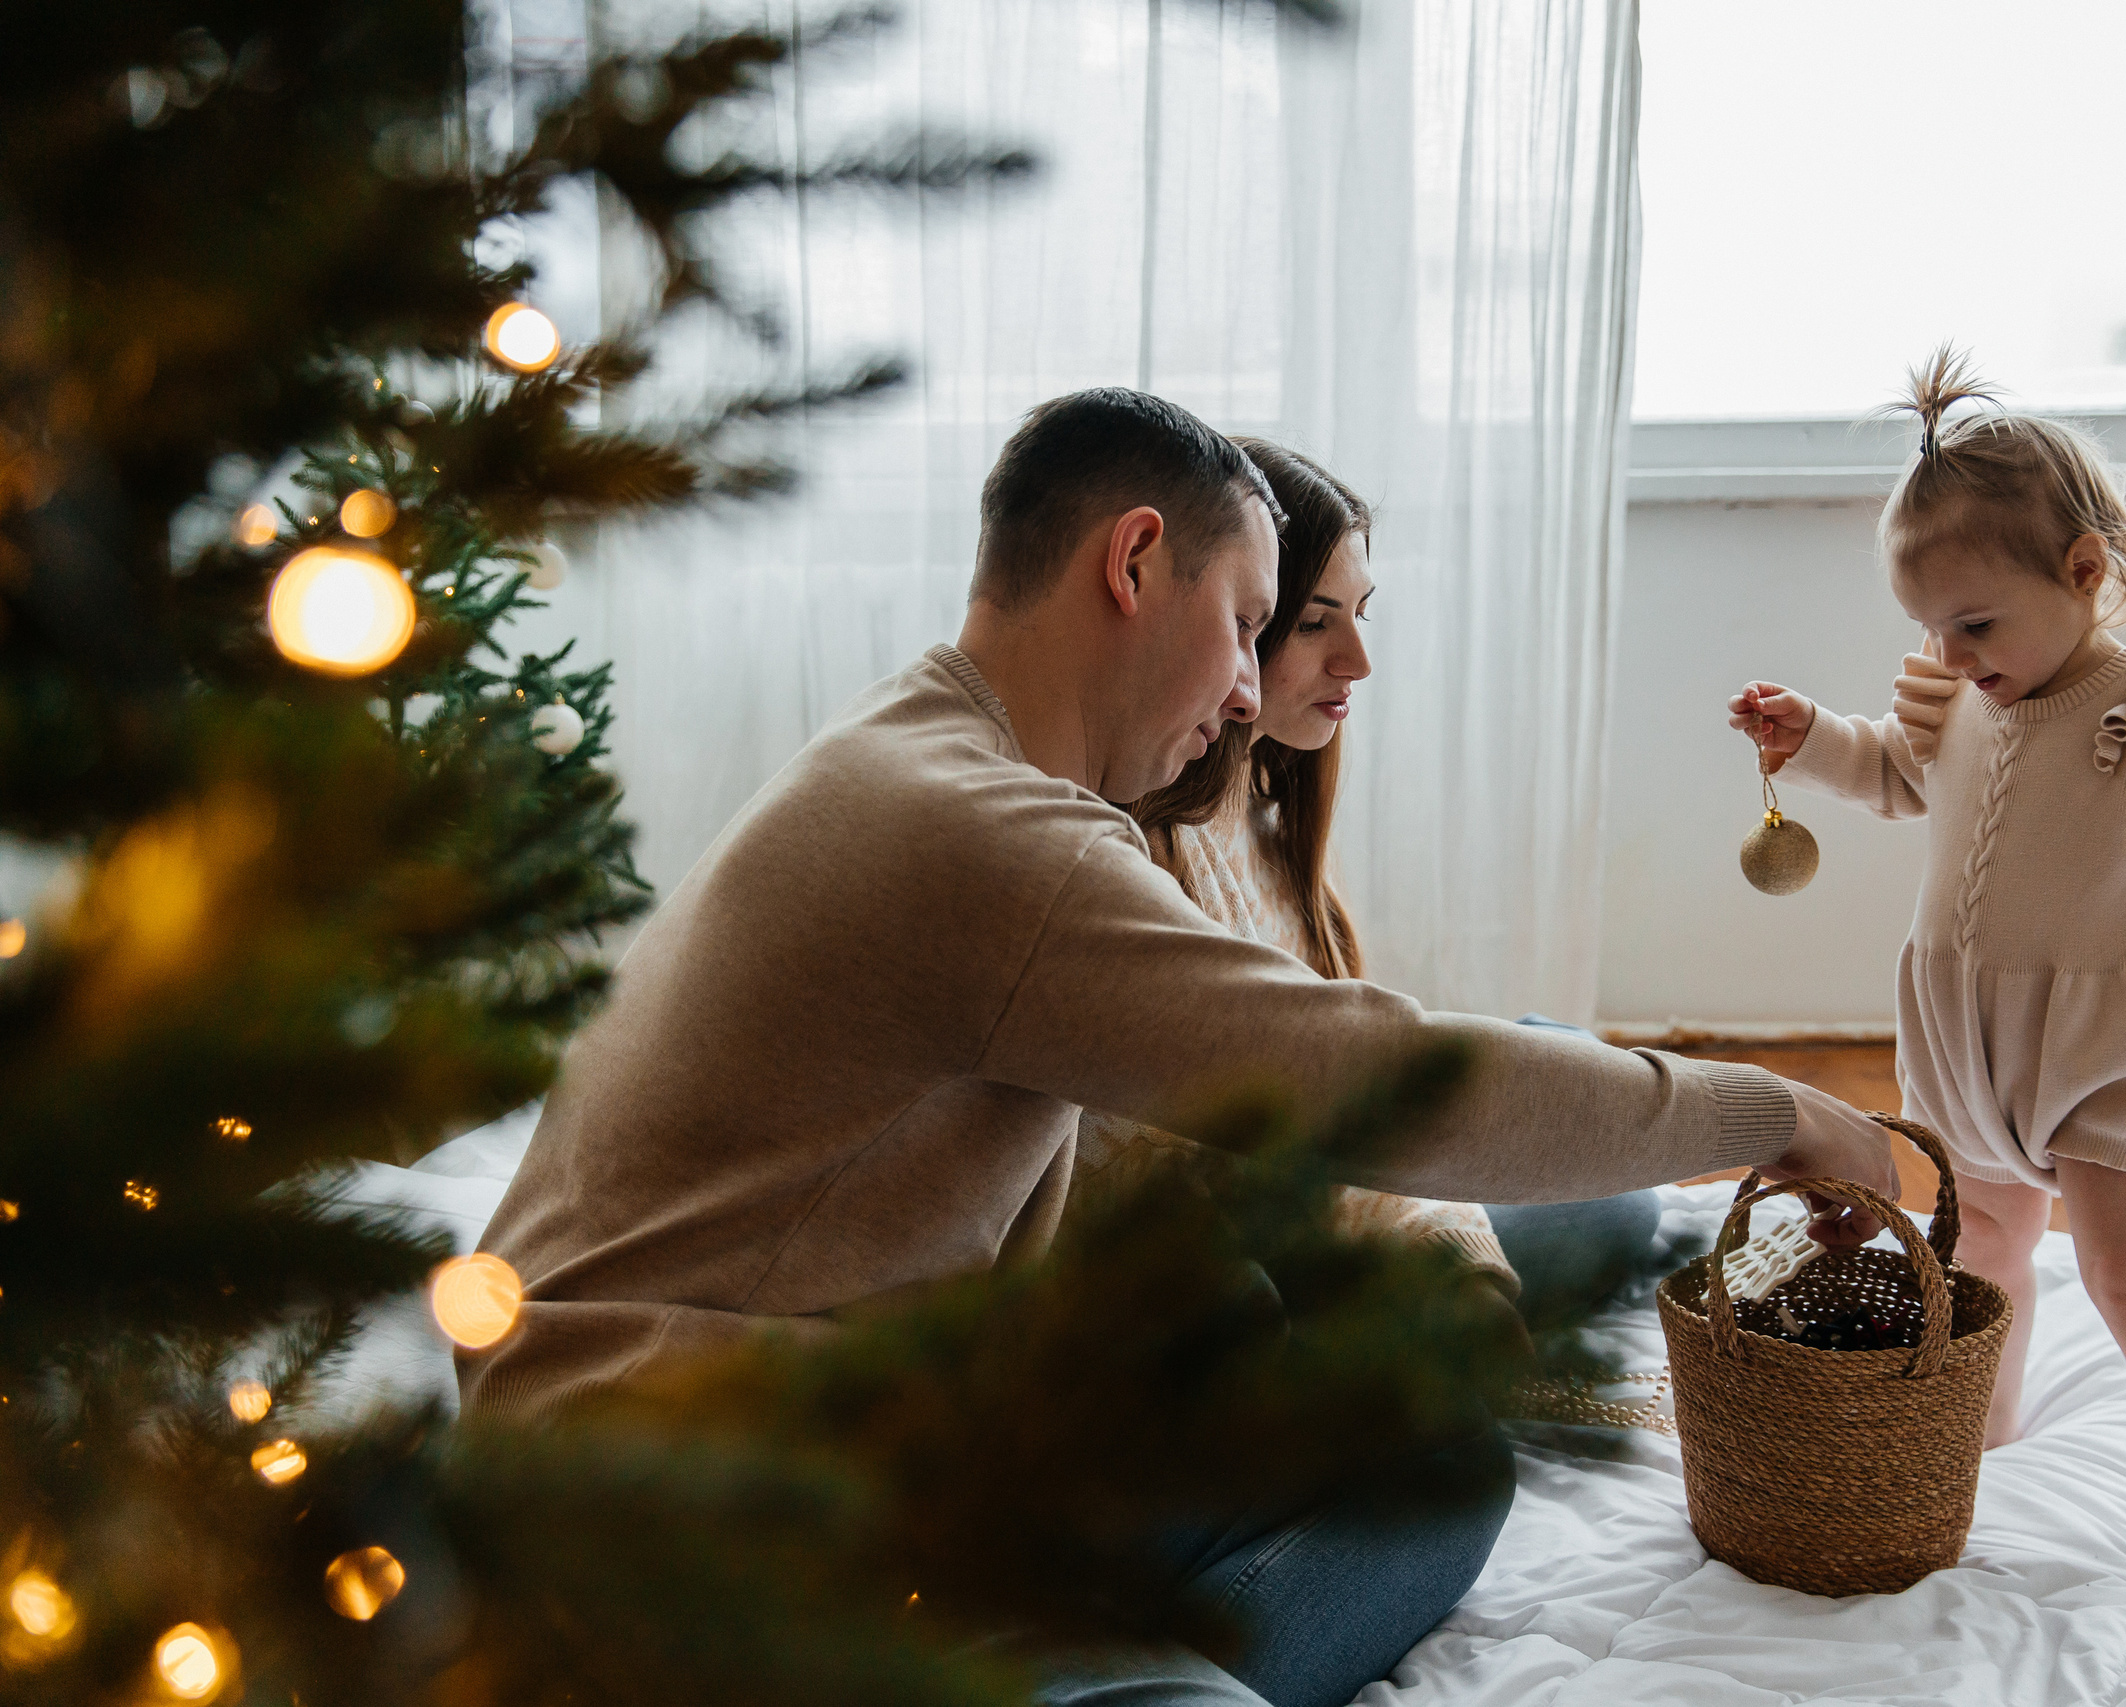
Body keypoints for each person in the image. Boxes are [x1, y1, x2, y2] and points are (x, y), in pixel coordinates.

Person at [465, 387, 1901, 1700]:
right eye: (1246, 623)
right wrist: (1767, 1111)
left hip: (782, 1429)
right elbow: (1381, 1085)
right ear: (1135, 560)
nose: (1241, 695)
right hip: (689, 1499)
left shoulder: (918, 745)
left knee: (1415, 1452)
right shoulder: (989, 837)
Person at [1728, 348, 2126, 1597]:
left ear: (2084, 572)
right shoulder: (1967, 694)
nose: (1950, 648)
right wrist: (1811, 739)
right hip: (1963, 1034)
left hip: (2105, 1035)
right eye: (1930, 625)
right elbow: (1895, 774)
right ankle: (1978, 1429)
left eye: (1974, 621)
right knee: (1981, 1240)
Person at [1095, 438, 1662, 1339]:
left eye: (1362, 613)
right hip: (1268, 1255)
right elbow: (1281, 1138)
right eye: (1316, 622)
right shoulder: (1136, 849)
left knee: (1569, 1072)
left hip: (1337, 1194)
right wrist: (1448, 1253)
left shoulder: (1264, 803)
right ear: (1241, 618)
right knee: (1606, 1179)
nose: (1358, 659)